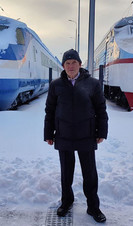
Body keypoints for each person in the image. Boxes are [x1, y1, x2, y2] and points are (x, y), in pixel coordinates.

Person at [44, 49, 108, 223]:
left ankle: (93, 207)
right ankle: (67, 202)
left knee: (90, 174)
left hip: (86, 134)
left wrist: (101, 132)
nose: (71, 66)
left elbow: (101, 109)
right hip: (63, 134)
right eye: (67, 63)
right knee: (66, 173)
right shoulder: (56, 85)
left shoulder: (93, 84)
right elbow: (49, 111)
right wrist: (48, 133)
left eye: (74, 63)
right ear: (63, 66)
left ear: (80, 64)